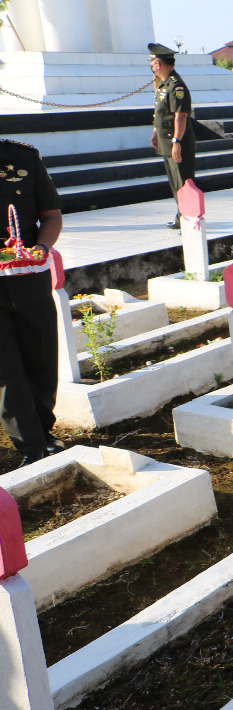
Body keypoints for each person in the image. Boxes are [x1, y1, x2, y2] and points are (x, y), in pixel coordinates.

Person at [0, 138, 63, 470]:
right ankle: (31, 446)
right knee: (5, 369)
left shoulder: (23, 159)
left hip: (29, 277)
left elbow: (51, 215)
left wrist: (40, 248)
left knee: (41, 357)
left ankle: (45, 431)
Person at [149, 43, 196, 229]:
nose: (151, 66)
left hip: (176, 141)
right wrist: (155, 132)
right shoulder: (164, 85)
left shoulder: (176, 86)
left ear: (158, 63)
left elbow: (180, 116)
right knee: (175, 182)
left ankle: (189, 216)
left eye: (152, 62)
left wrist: (177, 141)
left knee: (183, 181)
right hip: (166, 141)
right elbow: (161, 113)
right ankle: (181, 215)